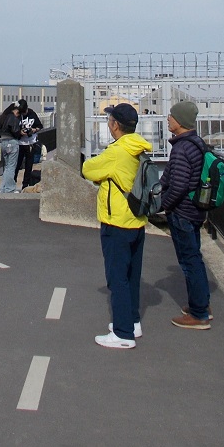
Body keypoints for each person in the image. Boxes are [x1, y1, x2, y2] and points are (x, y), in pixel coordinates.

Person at [81, 103, 152, 348]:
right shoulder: (138, 148)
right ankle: (132, 321)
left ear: (116, 125)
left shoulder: (116, 151)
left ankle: (123, 334)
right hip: (136, 220)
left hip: (117, 221)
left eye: (110, 119)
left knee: (117, 277)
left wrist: (104, 174)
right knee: (132, 275)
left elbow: (87, 169)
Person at [160, 101, 212, 329]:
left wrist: (164, 205)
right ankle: (201, 305)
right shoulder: (196, 143)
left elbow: (178, 184)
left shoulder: (181, 148)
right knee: (195, 258)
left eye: (171, 116)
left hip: (183, 212)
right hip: (195, 210)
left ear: (180, 121)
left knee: (189, 261)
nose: (168, 119)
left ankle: (199, 314)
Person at [13, 99, 43, 190]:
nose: (24, 113)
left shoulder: (32, 114)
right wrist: (19, 132)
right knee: (17, 165)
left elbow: (39, 126)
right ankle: (12, 185)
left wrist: (34, 130)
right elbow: (12, 128)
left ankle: (25, 186)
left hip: (31, 143)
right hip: (20, 143)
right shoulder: (17, 116)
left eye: (25, 111)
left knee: (28, 166)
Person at [0, 101, 23, 193]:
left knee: (7, 166)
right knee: (11, 167)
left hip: (3, 142)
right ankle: (10, 189)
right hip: (12, 142)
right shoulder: (13, 118)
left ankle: (2, 188)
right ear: (15, 110)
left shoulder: (3, 117)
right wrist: (20, 133)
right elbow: (15, 131)